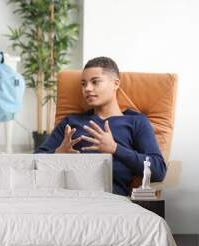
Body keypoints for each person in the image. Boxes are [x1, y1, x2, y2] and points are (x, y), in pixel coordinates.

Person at [35, 56, 166, 196]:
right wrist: (58, 155)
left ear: (115, 84)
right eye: (83, 84)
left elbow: (158, 170)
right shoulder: (71, 122)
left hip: (109, 202)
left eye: (95, 82)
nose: (87, 88)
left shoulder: (136, 122)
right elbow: (33, 164)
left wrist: (115, 149)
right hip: (66, 198)